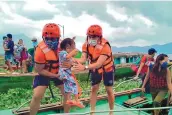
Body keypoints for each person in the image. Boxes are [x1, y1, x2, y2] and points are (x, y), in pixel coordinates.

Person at [29, 23, 71, 115]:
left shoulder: (63, 47)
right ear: (43, 37)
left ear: (58, 38)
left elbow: (69, 60)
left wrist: (68, 65)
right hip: (44, 72)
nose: (49, 41)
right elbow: (39, 70)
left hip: (59, 71)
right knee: (37, 96)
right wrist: (55, 75)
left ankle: (66, 114)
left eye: (52, 39)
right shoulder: (40, 50)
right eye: (47, 38)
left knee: (68, 93)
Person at [73, 24, 115, 115]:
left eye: (94, 36)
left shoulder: (105, 46)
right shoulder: (86, 45)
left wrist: (85, 67)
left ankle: (111, 112)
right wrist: (73, 60)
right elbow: (83, 59)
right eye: (90, 36)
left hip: (107, 68)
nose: (92, 38)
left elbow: (99, 63)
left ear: (99, 37)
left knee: (109, 90)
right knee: (94, 89)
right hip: (95, 69)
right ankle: (92, 112)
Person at [59, 38, 84, 108]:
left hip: (65, 74)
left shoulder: (67, 54)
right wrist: (73, 52)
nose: (74, 49)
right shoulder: (62, 53)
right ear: (67, 47)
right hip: (65, 74)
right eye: (73, 47)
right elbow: (67, 57)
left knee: (67, 87)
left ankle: (69, 100)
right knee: (74, 85)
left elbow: (73, 61)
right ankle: (76, 100)